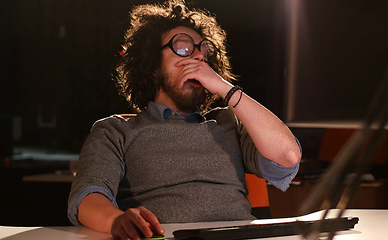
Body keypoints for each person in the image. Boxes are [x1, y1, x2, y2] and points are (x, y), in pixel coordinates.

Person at [67, 1, 302, 239]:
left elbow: (288, 157)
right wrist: (117, 220)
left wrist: (226, 89)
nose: (199, 56)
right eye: (183, 48)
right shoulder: (115, 130)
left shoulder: (229, 122)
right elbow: (87, 197)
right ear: (152, 66)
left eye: (203, 50)